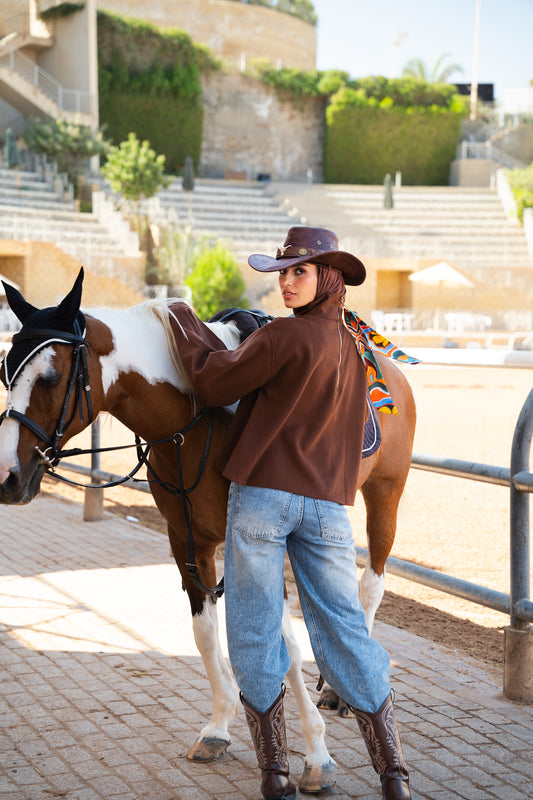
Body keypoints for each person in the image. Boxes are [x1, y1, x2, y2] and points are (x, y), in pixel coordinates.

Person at [168, 227, 412, 800]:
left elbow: (211, 381)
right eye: (282, 272)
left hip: (263, 499)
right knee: (346, 633)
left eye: (299, 271)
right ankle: (394, 775)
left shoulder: (280, 336)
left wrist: (183, 323)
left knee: (254, 630)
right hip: (328, 507)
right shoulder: (358, 348)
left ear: (328, 277)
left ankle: (275, 774)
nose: (286, 282)